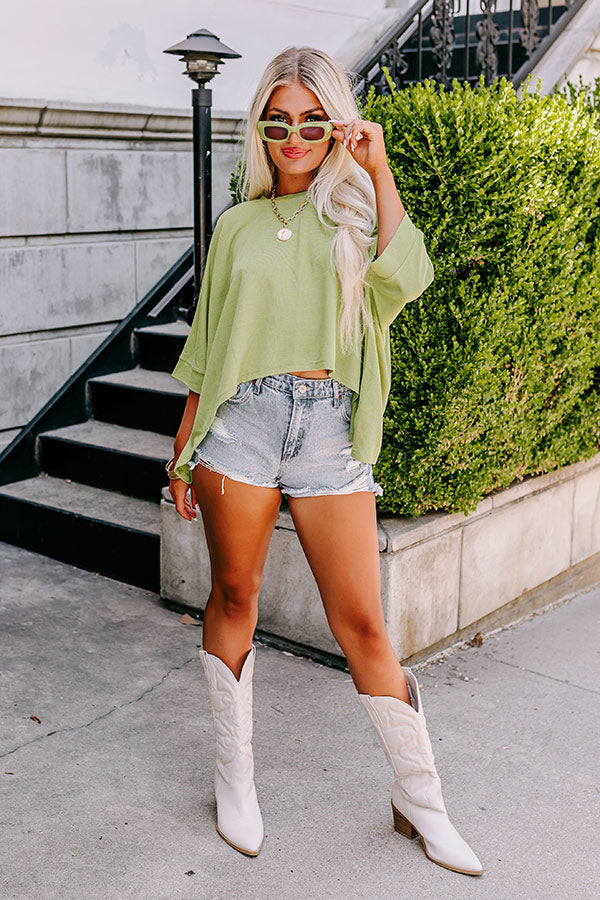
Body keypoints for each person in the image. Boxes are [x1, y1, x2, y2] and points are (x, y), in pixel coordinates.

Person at [165, 46, 483, 876]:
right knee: (235, 595)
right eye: (279, 122)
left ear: (336, 126)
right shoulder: (238, 225)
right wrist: (184, 445)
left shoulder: (356, 218)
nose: (295, 137)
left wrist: (377, 167)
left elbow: (411, 275)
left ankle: (422, 801)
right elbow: (207, 344)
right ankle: (235, 778)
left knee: (364, 625)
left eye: (313, 122)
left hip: (328, 434)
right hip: (239, 427)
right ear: (260, 129)